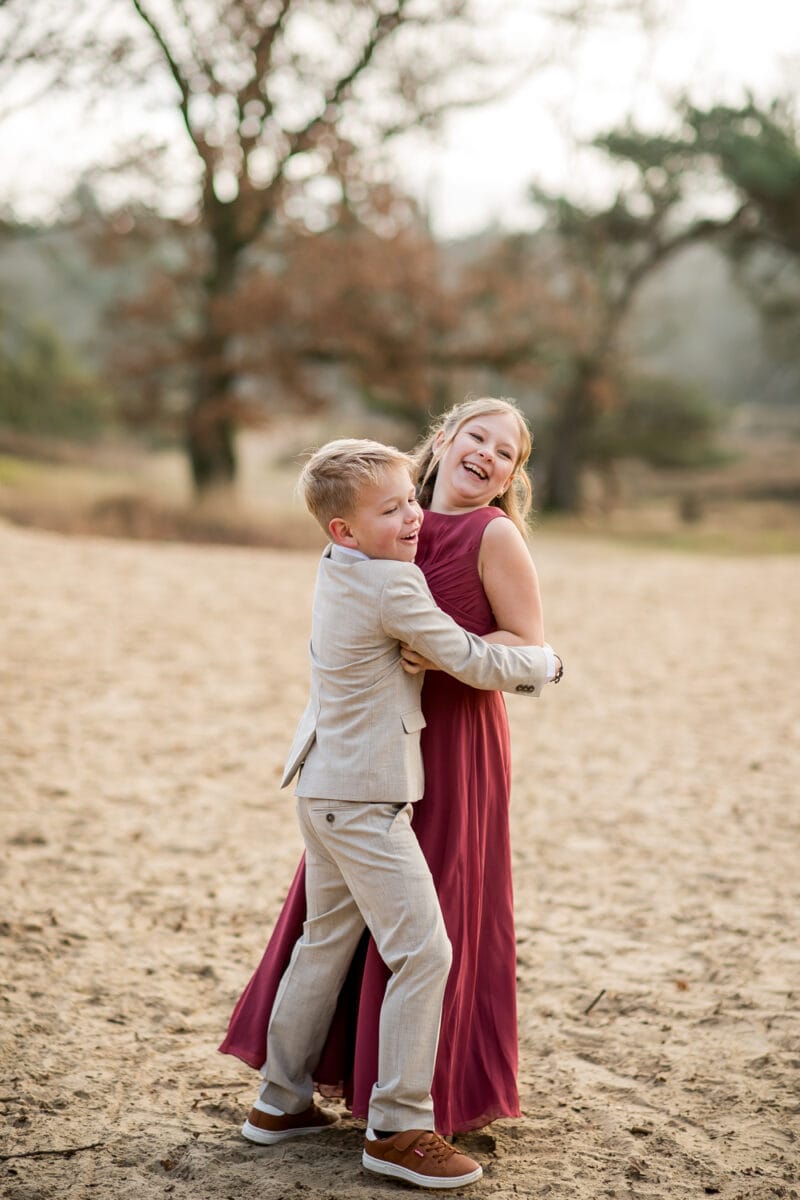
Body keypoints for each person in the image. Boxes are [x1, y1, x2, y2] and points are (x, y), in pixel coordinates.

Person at [237, 437, 560, 1189]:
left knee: (325, 943)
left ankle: (279, 1101)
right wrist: (547, 663)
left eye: (410, 500)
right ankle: (398, 1125)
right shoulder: (394, 586)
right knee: (426, 952)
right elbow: (475, 661)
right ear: (344, 529)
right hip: (365, 798)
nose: (413, 517)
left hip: (322, 786)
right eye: (392, 510)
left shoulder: (341, 568)